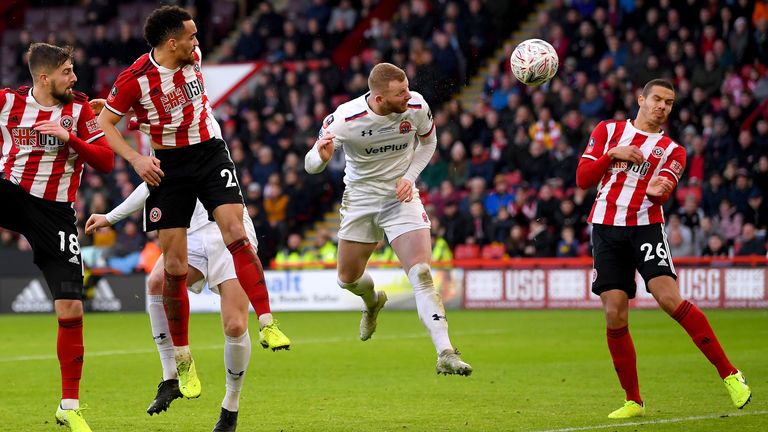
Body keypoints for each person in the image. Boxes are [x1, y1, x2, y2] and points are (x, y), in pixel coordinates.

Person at [97, 5, 288, 401]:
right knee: (173, 267)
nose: (198, 43)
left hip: (209, 153)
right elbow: (106, 123)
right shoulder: (134, 80)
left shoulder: (193, 58)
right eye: (192, 36)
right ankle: (182, 360)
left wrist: (139, 120)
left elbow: (166, 110)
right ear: (173, 42)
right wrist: (136, 158)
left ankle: (268, 320)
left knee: (236, 230)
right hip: (170, 167)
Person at [575, 79, 751, 419]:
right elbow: (583, 178)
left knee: (669, 299)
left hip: (646, 227)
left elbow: (665, 187)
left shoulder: (673, 150)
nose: (662, 106)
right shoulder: (608, 130)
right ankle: (633, 400)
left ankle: (730, 374)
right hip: (606, 228)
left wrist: (660, 188)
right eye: (657, 99)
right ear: (640, 99)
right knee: (614, 312)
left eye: (669, 103)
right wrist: (613, 155)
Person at [304, 62, 472, 375]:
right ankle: (372, 302)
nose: (409, 96)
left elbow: (429, 142)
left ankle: (446, 352)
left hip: (400, 196)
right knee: (347, 279)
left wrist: (410, 176)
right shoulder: (345, 118)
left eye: (407, 88)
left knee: (421, 273)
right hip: (361, 199)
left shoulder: (416, 105)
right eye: (400, 94)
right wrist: (320, 157)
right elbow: (310, 164)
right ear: (379, 99)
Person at [85, 184, 289, 431]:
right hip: (190, 230)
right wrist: (109, 217)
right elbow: (152, 179)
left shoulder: (210, 146)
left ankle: (230, 407)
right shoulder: (162, 147)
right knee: (157, 283)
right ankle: (170, 377)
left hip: (228, 229)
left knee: (235, 325)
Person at [0, 43, 115, 432]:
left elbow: (105, 160)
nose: (75, 78)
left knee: (71, 310)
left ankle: (69, 405)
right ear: (45, 77)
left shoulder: (80, 110)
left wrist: (70, 140)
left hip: (56, 214)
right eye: (68, 71)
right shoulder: (7, 102)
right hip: (13, 194)